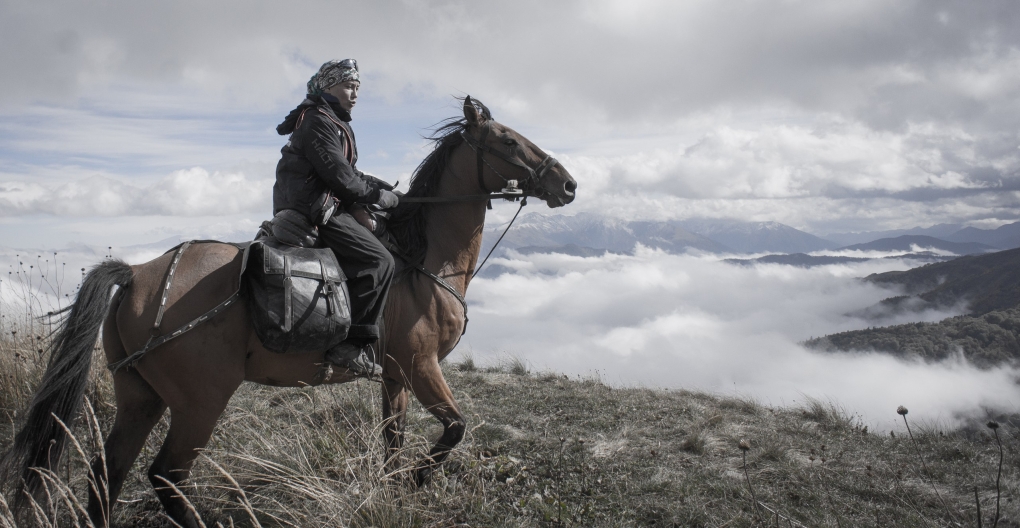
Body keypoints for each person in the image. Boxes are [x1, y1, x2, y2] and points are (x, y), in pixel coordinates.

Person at [273, 59, 398, 379]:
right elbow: (340, 176)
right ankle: (349, 348)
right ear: (328, 87)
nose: (354, 94)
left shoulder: (329, 118)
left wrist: (379, 186)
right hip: (315, 208)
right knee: (380, 261)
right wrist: (376, 197)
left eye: (357, 88)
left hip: (319, 200)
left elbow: (347, 171)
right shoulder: (318, 120)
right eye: (348, 86)